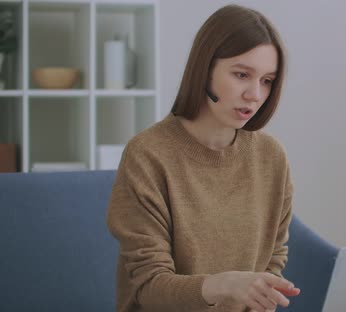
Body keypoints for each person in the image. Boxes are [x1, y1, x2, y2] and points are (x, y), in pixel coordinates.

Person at [106, 4, 300, 312]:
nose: (254, 94)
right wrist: (225, 286)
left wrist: (261, 294)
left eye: (267, 80)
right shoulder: (148, 155)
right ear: (204, 69)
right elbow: (149, 287)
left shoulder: (271, 157)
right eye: (241, 74)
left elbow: (274, 257)